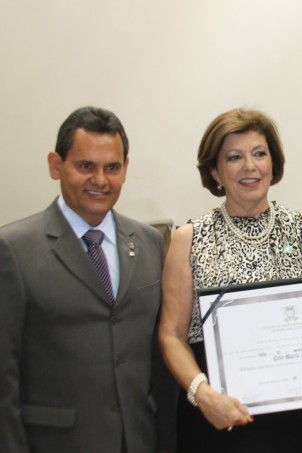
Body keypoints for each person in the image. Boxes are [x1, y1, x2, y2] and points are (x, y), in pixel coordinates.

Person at [0, 106, 174, 453]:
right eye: (85, 166)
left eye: (112, 167)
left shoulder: (151, 243)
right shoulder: (13, 250)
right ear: (55, 165)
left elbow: (159, 359)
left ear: (126, 168)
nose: (100, 180)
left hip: (139, 440)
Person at [158, 108, 302, 453]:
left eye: (259, 154)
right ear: (215, 172)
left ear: (273, 164)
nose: (250, 166)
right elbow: (171, 335)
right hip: (219, 417)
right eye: (234, 157)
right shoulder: (189, 238)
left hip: (299, 420)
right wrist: (202, 396)